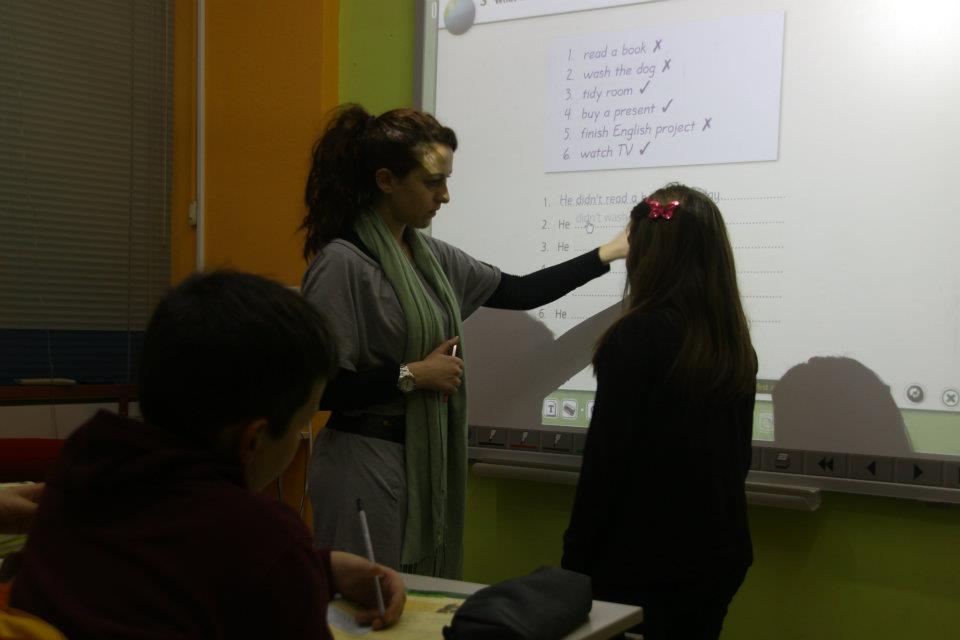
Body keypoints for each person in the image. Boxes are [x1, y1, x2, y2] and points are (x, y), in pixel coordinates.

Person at [300, 104, 628, 578]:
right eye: (432, 182)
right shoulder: (342, 264)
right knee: (369, 603)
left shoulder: (429, 256)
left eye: (447, 181)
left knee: (417, 601)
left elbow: (519, 291)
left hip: (416, 459)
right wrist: (414, 375)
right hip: (363, 463)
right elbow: (321, 388)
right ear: (386, 180)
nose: (445, 196)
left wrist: (609, 252)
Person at [9, 271, 406, 639]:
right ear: (254, 440)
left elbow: (165, 562)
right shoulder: (265, 538)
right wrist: (294, 563)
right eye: (304, 421)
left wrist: (321, 567)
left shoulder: (86, 463)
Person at [561, 184, 757, 640]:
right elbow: (738, 461)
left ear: (645, 257)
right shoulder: (732, 343)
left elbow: (606, 467)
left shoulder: (635, 337)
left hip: (637, 564)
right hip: (715, 558)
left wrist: (575, 562)